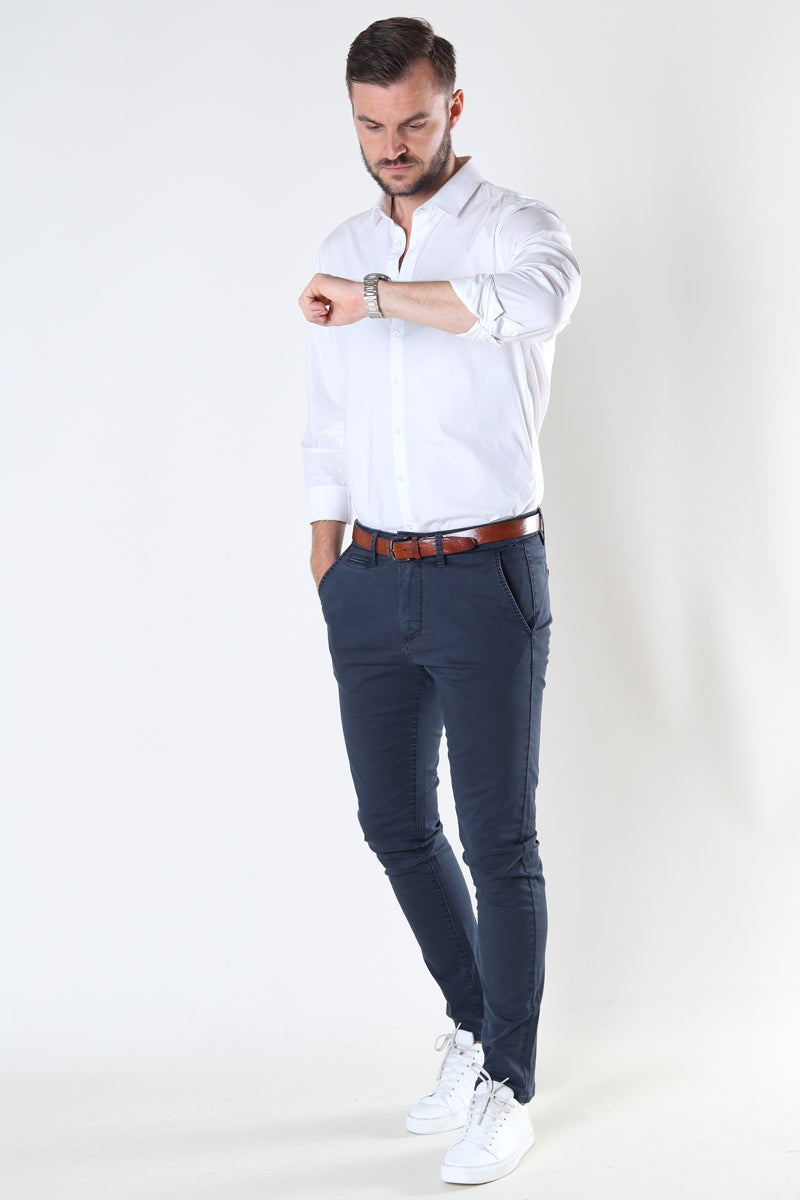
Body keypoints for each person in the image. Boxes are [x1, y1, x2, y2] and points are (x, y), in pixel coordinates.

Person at [299, 16, 580, 1186]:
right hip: (367, 578)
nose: (391, 145)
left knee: (497, 838)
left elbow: (535, 305)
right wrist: (325, 559)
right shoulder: (342, 243)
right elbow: (328, 421)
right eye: (370, 125)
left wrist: (374, 296)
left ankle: (509, 1084)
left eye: (411, 121)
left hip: (485, 574)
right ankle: (473, 1030)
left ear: (451, 108)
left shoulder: (518, 227)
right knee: (392, 825)